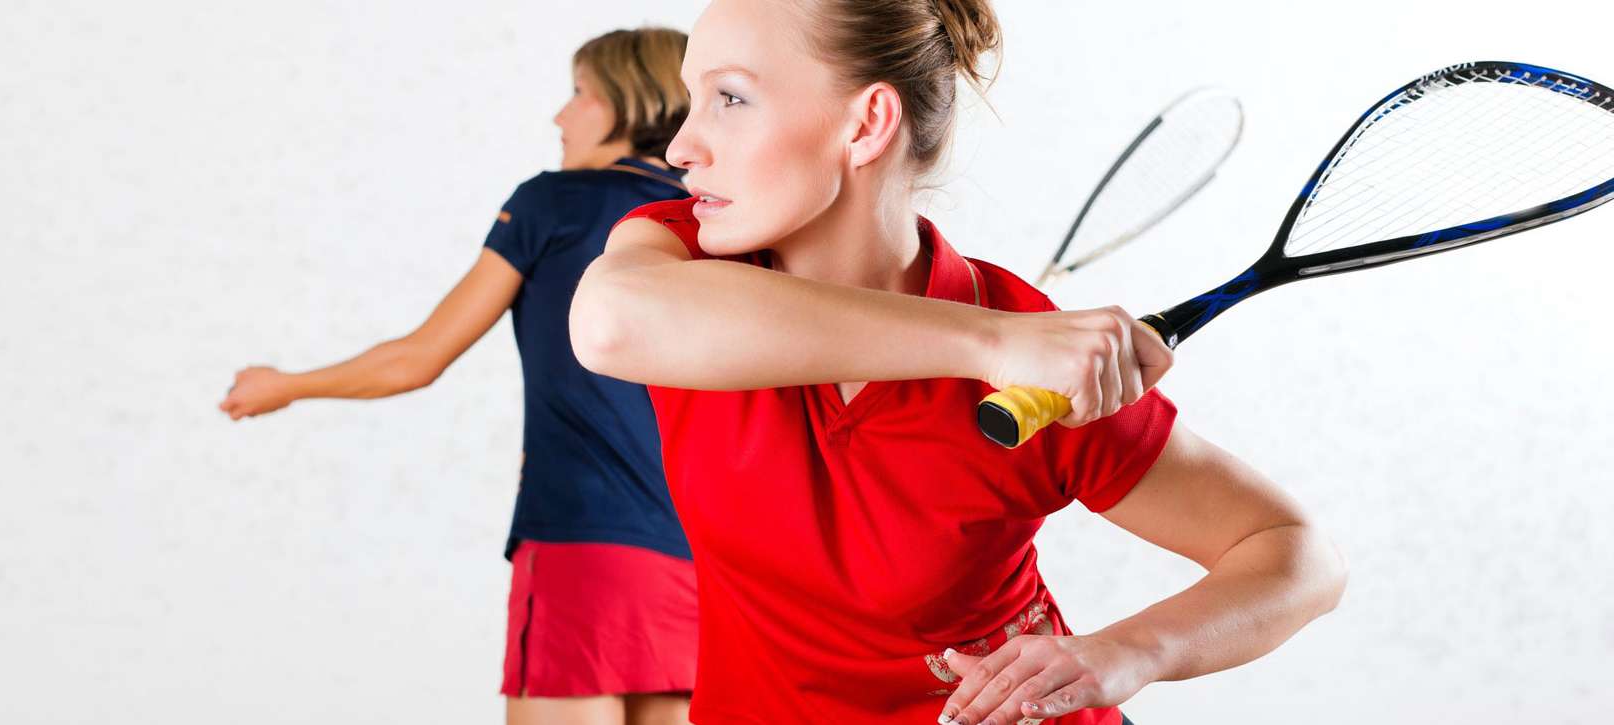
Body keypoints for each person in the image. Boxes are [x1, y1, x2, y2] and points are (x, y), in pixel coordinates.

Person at [568, 2, 1348, 724]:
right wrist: (988, 341)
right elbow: (607, 324)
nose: (680, 146)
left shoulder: (1042, 360)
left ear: (868, 122)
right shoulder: (680, 257)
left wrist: (1125, 653)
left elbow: (1296, 554)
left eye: (730, 99)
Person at [219, 27, 699, 725]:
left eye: (578, 95)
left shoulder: (553, 203)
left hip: (581, 544)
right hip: (697, 561)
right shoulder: (708, 223)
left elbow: (418, 358)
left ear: (632, 102)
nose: (559, 117)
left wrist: (285, 383)